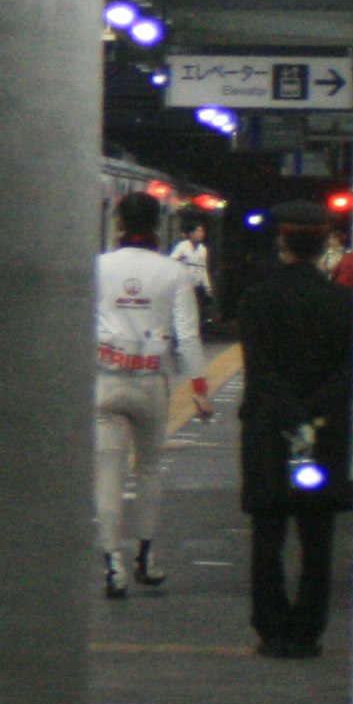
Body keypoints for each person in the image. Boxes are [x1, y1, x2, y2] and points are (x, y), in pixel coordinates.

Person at [235, 201, 353, 657]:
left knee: (267, 535)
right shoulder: (345, 302)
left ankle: (270, 628)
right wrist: (312, 414)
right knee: (317, 537)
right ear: (326, 243)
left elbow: (259, 368)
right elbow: (348, 371)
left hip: (269, 429)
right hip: (324, 433)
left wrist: (288, 415)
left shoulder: (255, 298)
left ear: (281, 242)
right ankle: (307, 632)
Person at [94, 191, 208, 600]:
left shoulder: (99, 267)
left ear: (119, 223)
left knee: (108, 471)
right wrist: (200, 389)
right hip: (150, 384)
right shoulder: (173, 272)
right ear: (159, 226)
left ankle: (112, 564)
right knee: (148, 469)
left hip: (105, 382)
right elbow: (188, 336)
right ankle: (145, 557)